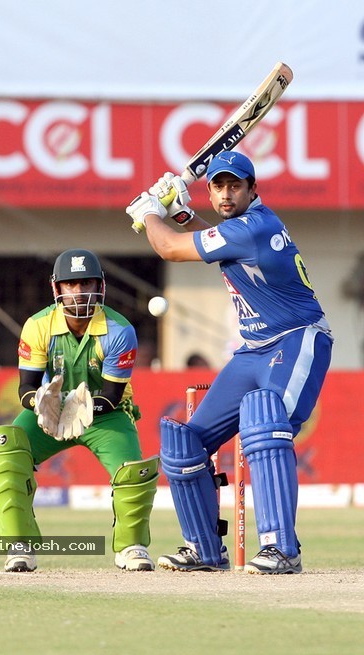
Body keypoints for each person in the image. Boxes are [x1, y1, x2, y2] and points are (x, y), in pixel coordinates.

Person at [126, 153, 332, 574]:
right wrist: (182, 213)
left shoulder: (257, 226)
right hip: (253, 348)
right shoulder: (240, 230)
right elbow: (219, 244)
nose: (225, 192)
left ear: (253, 191)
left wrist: (149, 212)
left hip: (296, 340)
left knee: (265, 423)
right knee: (186, 443)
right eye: (218, 186)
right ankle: (203, 548)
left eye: (235, 185)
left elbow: (167, 248)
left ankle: (281, 548)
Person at [0, 249, 158, 573]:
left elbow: (114, 394)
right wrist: (41, 403)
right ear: (57, 289)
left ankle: (131, 546)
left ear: (100, 286)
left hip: (106, 414)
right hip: (50, 414)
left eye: (86, 283)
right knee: (4, 447)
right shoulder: (37, 325)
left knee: (133, 472)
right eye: (71, 285)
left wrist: (84, 408)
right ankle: (19, 544)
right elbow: (26, 388)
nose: (79, 292)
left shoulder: (120, 330)